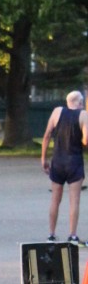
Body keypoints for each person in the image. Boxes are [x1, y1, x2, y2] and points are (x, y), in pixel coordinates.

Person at [41, 89, 88, 243]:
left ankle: (51, 234)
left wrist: (43, 158)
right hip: (74, 162)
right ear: (79, 103)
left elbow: (47, 135)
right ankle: (72, 235)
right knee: (74, 200)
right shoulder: (83, 115)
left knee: (55, 199)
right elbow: (86, 140)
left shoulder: (57, 112)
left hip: (58, 161)